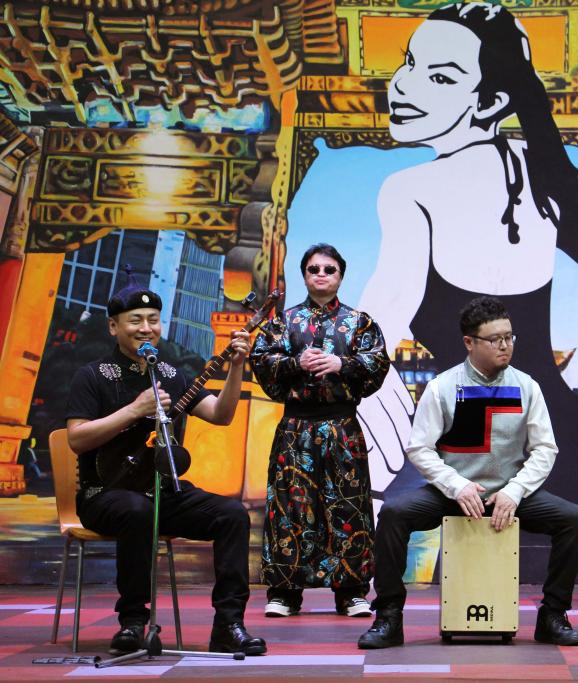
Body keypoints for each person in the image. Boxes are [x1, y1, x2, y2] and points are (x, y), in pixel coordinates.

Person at [354, 1, 578, 546]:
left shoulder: (410, 191)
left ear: (490, 101)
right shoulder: (545, 176)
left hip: (491, 451)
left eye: (440, 77)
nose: (404, 85)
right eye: (410, 62)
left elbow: (373, 331)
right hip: (570, 449)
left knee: (480, 580)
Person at [357, 296, 578, 649]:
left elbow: (545, 449)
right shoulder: (443, 387)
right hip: (454, 494)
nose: (505, 346)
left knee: (573, 520)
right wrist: (456, 485)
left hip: (508, 494)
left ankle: (552, 615)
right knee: (393, 514)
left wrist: (515, 491)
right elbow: (420, 448)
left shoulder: (527, 387)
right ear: (469, 342)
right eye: (495, 339)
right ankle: (388, 616)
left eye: (509, 337)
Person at [65, 268, 265, 656]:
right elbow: (76, 438)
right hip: (104, 494)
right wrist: (134, 409)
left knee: (232, 515)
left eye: (153, 320)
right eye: (135, 320)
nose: (146, 328)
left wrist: (237, 367)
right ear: (113, 327)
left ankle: (228, 625)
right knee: (136, 510)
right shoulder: (92, 376)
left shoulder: (171, 374)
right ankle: (132, 622)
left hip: (162, 493)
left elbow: (221, 414)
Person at [250, 243, 390, 619]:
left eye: (329, 269)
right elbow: (260, 359)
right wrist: (296, 362)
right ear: (305, 276)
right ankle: (284, 592)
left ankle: (351, 592)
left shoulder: (360, 322)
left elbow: (378, 362)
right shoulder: (283, 322)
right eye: (314, 269)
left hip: (342, 426)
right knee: (289, 507)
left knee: (348, 506)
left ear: (340, 276)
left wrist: (341, 364)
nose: (322, 275)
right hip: (295, 427)